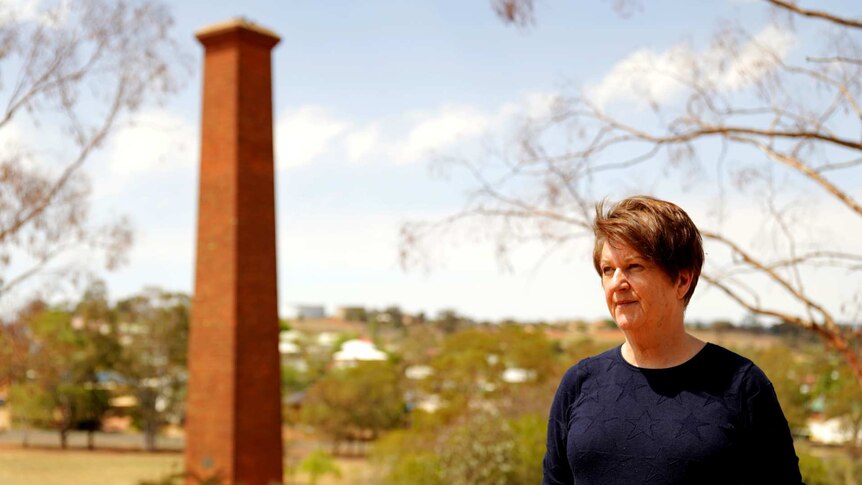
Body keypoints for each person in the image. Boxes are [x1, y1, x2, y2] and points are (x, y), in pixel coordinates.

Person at [542, 196, 803, 485]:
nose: (617, 283)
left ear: (682, 280)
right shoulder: (579, 383)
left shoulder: (741, 385)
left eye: (634, 266)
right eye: (607, 270)